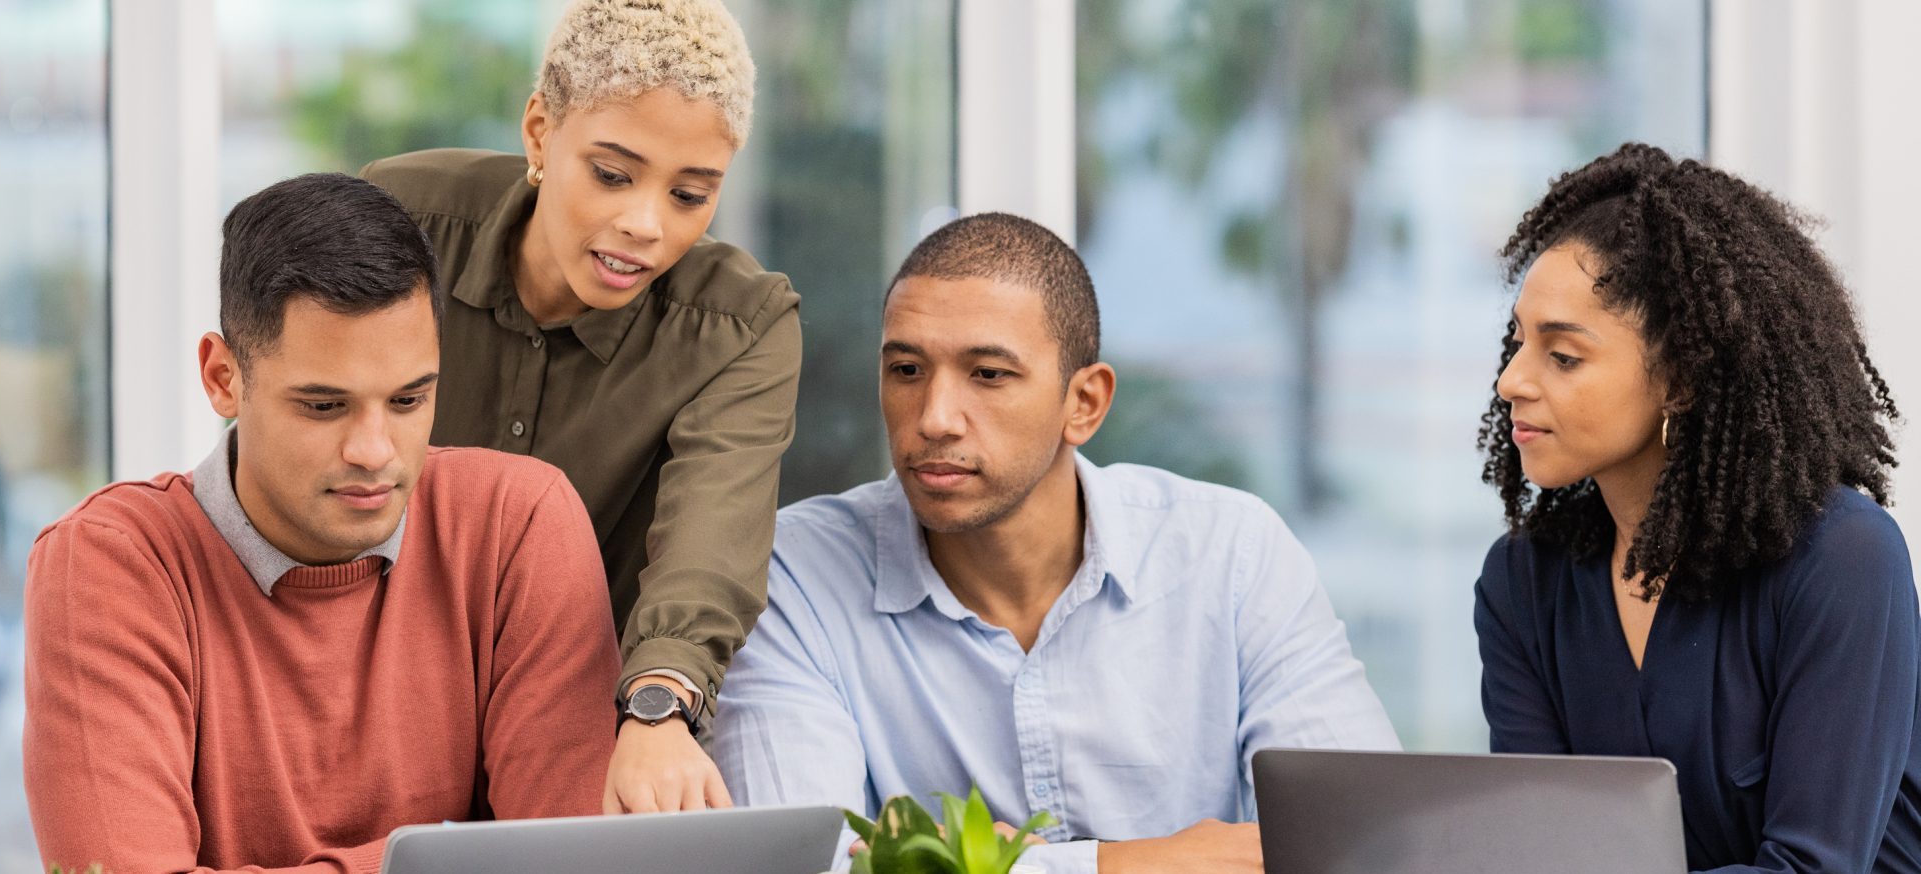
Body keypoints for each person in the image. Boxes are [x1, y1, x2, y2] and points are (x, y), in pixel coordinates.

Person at [710, 213, 1399, 874]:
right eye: (907, 370)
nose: (935, 418)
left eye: (988, 374)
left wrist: (992, 865)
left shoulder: (1231, 555)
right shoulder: (794, 575)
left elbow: (1361, 843)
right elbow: (809, 869)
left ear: (1085, 404)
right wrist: (1127, 864)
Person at [20, 173, 622, 874]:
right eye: (323, 406)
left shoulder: (519, 526)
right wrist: (466, 856)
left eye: (406, 400)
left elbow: (576, 864)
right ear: (223, 378)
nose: (373, 453)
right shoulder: (109, 564)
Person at [359, 0, 795, 815]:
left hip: (581, 729)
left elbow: (710, 533)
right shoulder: (400, 219)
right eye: (612, 174)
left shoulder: (743, 326)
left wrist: (660, 703)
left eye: (690, 194)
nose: (645, 226)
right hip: (361, 696)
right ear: (538, 132)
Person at [1474, 143, 1921, 872]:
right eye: (1518, 343)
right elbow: (1540, 854)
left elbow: (1815, 867)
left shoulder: (1844, 560)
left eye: (1562, 356)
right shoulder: (1523, 583)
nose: (1511, 382)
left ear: (1681, 379)